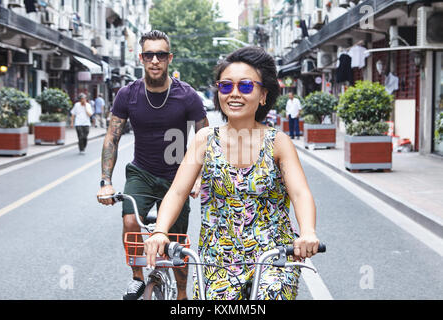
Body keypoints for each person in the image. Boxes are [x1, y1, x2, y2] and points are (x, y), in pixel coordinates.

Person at [143, 46, 320, 300]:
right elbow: (178, 191)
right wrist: (160, 231)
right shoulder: (204, 139)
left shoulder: (278, 142)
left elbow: (301, 193)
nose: (234, 94)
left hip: (273, 257)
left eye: (246, 86)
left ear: (263, 95)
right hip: (218, 260)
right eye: (226, 86)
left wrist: (308, 232)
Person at [96, 30, 209, 300]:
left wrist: (197, 177)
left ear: (169, 58)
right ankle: (137, 278)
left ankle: (182, 293)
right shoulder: (127, 94)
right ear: (141, 58)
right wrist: (106, 182)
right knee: (130, 220)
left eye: (160, 54)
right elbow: (112, 136)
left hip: (177, 177)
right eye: (149, 55)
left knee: (177, 243)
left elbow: (205, 139)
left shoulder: (187, 95)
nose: (155, 60)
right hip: (142, 173)